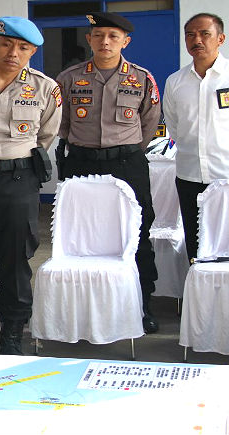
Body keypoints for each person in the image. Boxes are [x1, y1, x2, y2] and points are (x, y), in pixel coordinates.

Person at [0, 17, 62, 355]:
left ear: (31, 51)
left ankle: (12, 334)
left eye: (23, 47)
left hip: (19, 181)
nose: (13, 52)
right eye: (6, 44)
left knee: (15, 262)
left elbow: (45, 135)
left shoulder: (45, 88)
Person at [56, 12, 162, 333]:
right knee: (81, 234)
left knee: (136, 231)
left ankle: (143, 304)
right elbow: (60, 123)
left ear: (125, 42)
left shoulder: (142, 78)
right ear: (89, 39)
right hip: (81, 163)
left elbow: (149, 122)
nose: (105, 42)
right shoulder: (69, 78)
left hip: (126, 163)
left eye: (113, 37)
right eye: (98, 35)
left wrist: (124, 149)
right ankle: (84, 308)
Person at [164, 13, 228, 262]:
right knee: (197, 245)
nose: (196, 40)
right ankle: (199, 298)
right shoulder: (175, 81)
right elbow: (175, 126)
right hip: (190, 176)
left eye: (205, 34)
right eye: (190, 34)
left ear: (220, 38)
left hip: (226, 176)